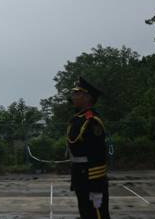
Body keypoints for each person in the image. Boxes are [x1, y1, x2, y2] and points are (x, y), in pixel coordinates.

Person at [67, 77, 110, 219]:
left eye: (77, 93)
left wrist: (97, 183)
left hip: (92, 178)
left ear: (87, 97)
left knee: (97, 214)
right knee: (85, 213)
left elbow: (98, 153)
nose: (73, 96)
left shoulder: (92, 122)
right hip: (80, 175)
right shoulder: (79, 118)